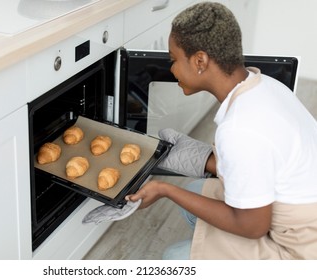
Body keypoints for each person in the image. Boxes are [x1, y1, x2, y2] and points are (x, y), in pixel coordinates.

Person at [126, 1, 317, 259]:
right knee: (196, 192)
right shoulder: (264, 85)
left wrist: (165, 189)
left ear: (200, 61)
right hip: (294, 209)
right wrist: (203, 159)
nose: (171, 69)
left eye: (174, 60)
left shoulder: (240, 128)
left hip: (302, 247)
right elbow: (266, 165)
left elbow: (253, 226)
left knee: (174, 259)